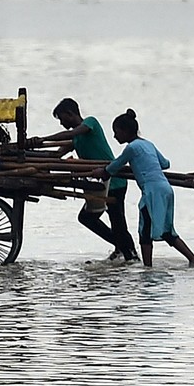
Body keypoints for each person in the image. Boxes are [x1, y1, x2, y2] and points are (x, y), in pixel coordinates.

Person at [29, 98, 138, 263]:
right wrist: (33, 150)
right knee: (88, 218)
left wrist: (43, 139)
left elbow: (71, 133)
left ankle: (130, 255)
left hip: (114, 181)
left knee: (117, 223)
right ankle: (123, 248)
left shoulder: (90, 123)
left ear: (70, 113)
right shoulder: (76, 140)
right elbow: (55, 155)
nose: (61, 123)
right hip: (99, 184)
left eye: (61, 118)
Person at [91, 109, 194, 268]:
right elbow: (165, 164)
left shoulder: (132, 148)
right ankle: (192, 260)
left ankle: (148, 268)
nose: (115, 136)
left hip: (152, 191)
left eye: (116, 132)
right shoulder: (147, 144)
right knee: (166, 230)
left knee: (145, 229)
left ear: (125, 131)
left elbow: (115, 165)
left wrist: (103, 171)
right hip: (165, 188)